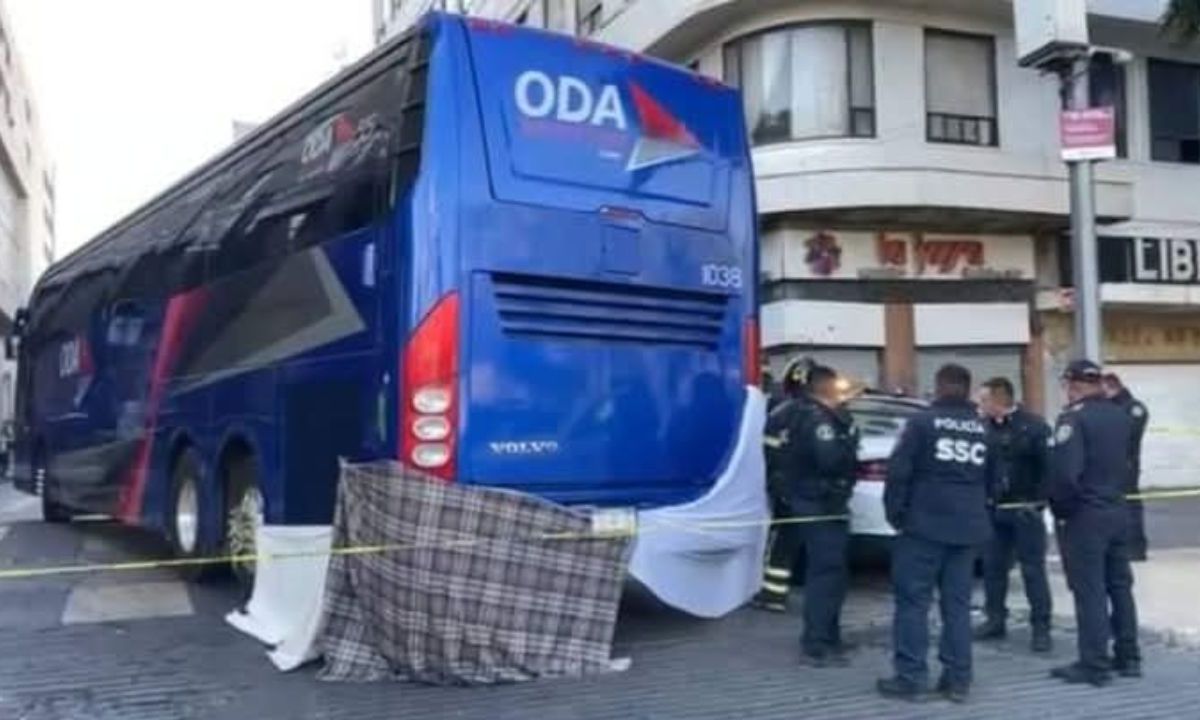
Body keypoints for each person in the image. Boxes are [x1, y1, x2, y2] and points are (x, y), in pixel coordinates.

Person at [877, 364, 997, 704]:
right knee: (957, 606)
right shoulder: (982, 428)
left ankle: (911, 678)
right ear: (967, 389)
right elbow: (994, 481)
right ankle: (958, 680)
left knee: (913, 603)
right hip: (969, 528)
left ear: (940, 386)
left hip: (924, 526)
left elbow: (898, 473)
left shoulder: (921, 423)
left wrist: (896, 516)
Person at [1049, 360, 1141, 687]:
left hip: (1086, 515)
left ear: (1073, 385)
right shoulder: (1120, 416)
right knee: (1120, 586)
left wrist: (1063, 510)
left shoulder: (1073, 418)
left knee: (1090, 590)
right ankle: (1128, 656)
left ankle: (1094, 663)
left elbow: (1064, 475)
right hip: (1118, 509)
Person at [784, 365, 860, 666]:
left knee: (836, 573)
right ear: (826, 388)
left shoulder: (828, 416)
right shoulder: (817, 419)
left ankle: (830, 635)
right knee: (825, 574)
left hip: (829, 505)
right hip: (818, 504)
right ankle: (816, 644)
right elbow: (830, 460)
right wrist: (848, 439)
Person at [973, 377, 1054, 653]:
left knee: (1033, 571)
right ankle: (995, 619)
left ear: (999, 399)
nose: (979, 405)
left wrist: (1039, 503)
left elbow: (1050, 469)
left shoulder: (1034, 427)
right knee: (993, 569)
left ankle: (1041, 628)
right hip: (994, 510)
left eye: (983, 400)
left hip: (1025, 510)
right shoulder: (983, 428)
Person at [754, 356, 814, 612]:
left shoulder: (780, 412)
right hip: (817, 494)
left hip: (788, 491)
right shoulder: (826, 412)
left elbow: (769, 454)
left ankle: (773, 595)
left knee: (782, 541)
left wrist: (775, 485)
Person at [1103, 372, 1150, 561]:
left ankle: (1136, 547)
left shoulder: (1133, 408)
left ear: (1113, 387)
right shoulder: (1109, 407)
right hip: (1110, 465)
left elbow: (1129, 433)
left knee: (1130, 506)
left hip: (1127, 465)